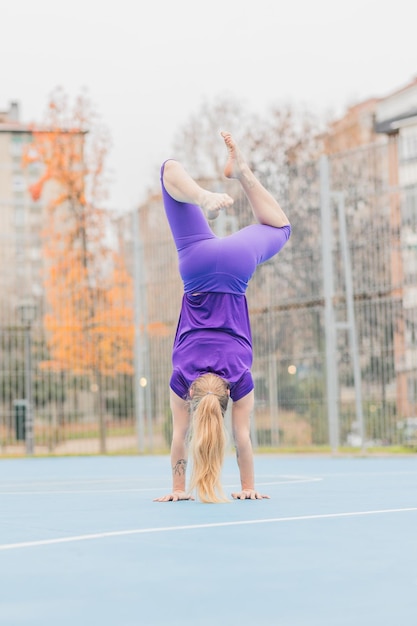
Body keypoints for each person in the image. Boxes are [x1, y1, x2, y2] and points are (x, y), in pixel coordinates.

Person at [154, 131, 291, 503]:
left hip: (234, 269)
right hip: (195, 266)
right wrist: (177, 490)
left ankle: (239, 173)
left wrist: (248, 488)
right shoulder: (182, 378)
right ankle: (203, 197)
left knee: (281, 227)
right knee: (167, 169)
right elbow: (179, 439)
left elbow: (242, 439)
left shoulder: (238, 378)